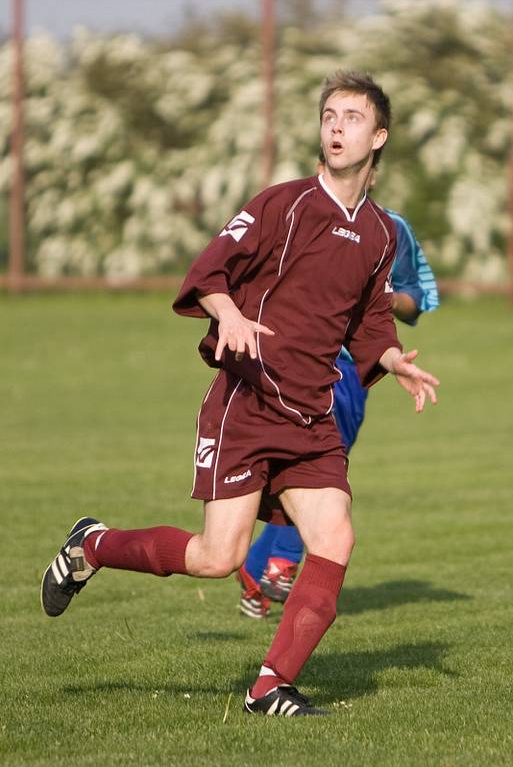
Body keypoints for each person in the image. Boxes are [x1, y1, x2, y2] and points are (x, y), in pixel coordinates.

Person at [40, 70, 439, 717]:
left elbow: (368, 318)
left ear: (378, 136)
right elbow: (208, 270)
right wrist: (225, 313)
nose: (336, 127)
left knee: (334, 540)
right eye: (328, 116)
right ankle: (93, 544)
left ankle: (269, 686)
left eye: (352, 118)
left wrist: (393, 360)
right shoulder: (282, 203)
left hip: (311, 413)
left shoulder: (380, 234)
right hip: (248, 403)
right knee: (214, 557)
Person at [237, 196, 440, 618]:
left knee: (320, 464)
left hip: (346, 370)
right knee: (303, 466)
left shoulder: (389, 227)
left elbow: (416, 297)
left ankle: (262, 568)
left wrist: (379, 296)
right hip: (285, 360)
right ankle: (276, 566)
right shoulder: (294, 211)